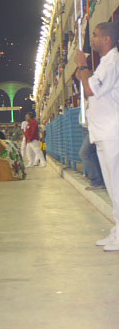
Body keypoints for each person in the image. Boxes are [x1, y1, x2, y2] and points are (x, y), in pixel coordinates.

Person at [74, 21, 119, 250]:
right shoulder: (104, 63)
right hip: (103, 132)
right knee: (112, 187)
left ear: (107, 39)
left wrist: (82, 66)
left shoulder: (112, 62)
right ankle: (117, 230)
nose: (92, 39)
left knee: (117, 185)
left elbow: (90, 89)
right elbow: (91, 86)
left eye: (95, 35)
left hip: (112, 132)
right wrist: (85, 71)